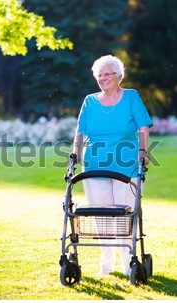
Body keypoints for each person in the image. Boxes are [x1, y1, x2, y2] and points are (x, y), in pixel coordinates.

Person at [71, 55, 153, 276]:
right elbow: (79, 131)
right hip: (94, 166)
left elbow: (143, 126)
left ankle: (128, 263)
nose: (103, 78)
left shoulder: (131, 97)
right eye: (99, 75)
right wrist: (75, 152)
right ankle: (106, 262)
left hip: (127, 166)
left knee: (125, 214)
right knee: (102, 216)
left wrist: (143, 151)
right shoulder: (89, 101)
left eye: (108, 74)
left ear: (119, 76)